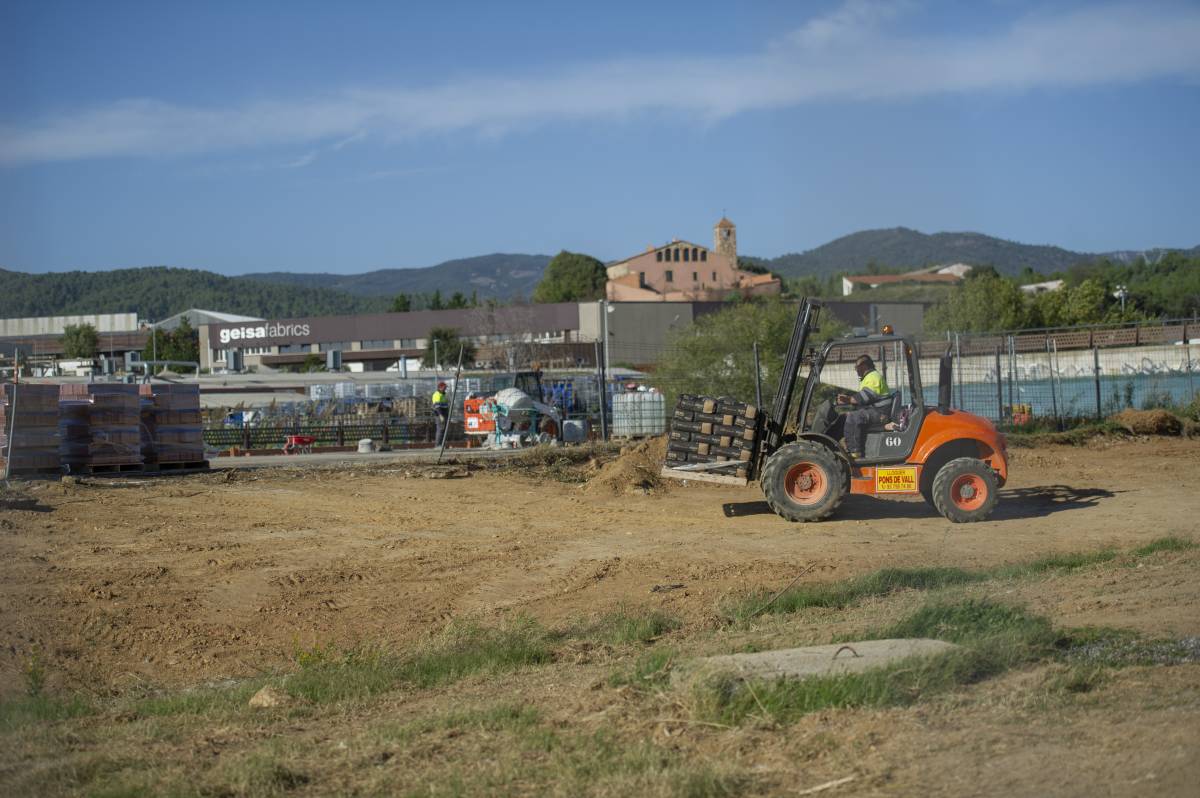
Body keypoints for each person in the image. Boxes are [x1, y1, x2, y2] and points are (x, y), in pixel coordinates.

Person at [432, 381, 449, 445]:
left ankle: (442, 444)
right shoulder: (436, 395)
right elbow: (437, 407)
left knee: (444, 430)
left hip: (445, 414)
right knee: (440, 429)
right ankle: (438, 444)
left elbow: (446, 405)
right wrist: (440, 415)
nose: (445, 389)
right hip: (440, 415)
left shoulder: (443, 394)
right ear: (440, 387)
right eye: (444, 387)